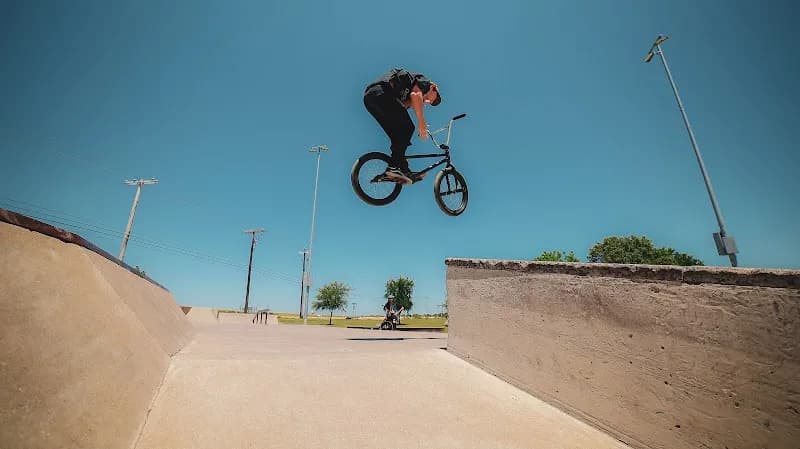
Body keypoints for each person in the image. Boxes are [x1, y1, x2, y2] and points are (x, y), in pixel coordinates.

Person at [363, 68, 442, 184]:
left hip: (370, 99)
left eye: (430, 102)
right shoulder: (426, 83)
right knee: (408, 128)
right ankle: (394, 167)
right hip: (381, 91)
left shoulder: (406, 93)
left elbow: (401, 107)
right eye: (432, 99)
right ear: (434, 88)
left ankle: (402, 170)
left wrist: (418, 103)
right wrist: (422, 123)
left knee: (399, 136)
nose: (429, 102)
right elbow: (416, 94)